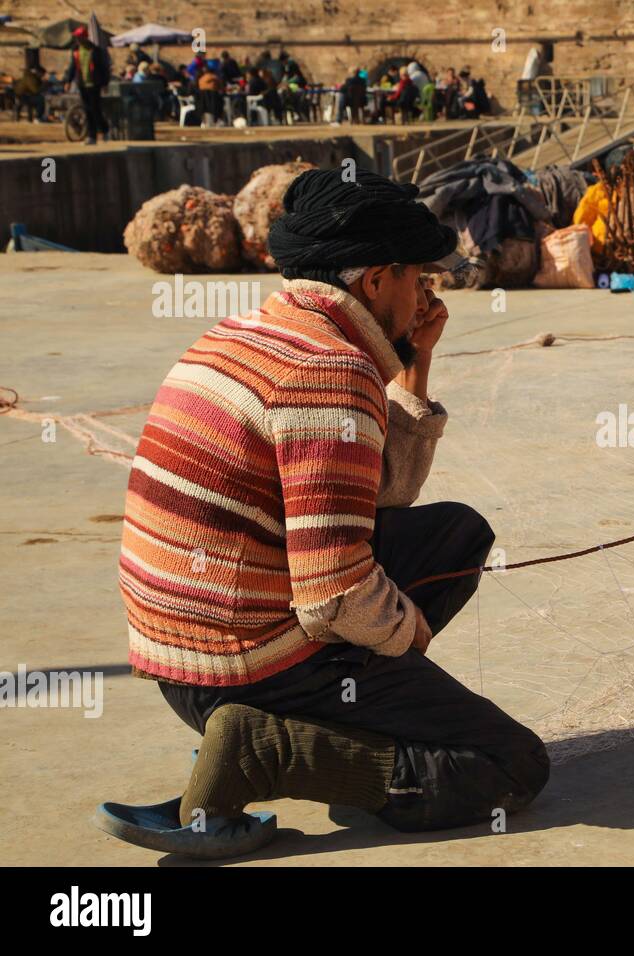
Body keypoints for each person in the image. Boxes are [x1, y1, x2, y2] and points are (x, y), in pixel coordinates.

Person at [97, 168, 548, 860]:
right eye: (417, 277)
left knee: (458, 536)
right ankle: (269, 747)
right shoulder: (328, 372)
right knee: (512, 765)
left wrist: (414, 367)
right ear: (374, 281)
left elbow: (375, 496)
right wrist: (409, 636)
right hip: (239, 663)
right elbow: (333, 596)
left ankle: (311, 719)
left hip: (181, 652)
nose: (427, 293)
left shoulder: (258, 332)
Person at [63, 26, 111, 144]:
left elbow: (103, 68)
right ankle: (92, 136)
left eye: (79, 37)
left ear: (85, 38)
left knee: (95, 109)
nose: (77, 40)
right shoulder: (75, 50)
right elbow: (72, 67)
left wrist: (105, 83)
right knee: (87, 109)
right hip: (82, 84)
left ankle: (104, 129)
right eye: (76, 37)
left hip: (94, 84)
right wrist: (68, 81)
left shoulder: (95, 50)